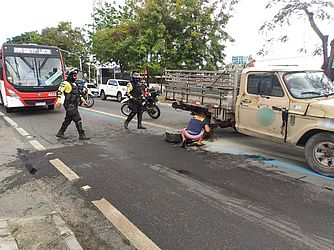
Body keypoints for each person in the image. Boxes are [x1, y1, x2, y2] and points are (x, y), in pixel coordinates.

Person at [55, 68, 90, 140]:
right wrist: (58, 101)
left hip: (75, 104)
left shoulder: (75, 84)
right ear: (70, 75)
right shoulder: (65, 83)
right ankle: (81, 135)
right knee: (77, 119)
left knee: (68, 119)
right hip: (69, 105)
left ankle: (60, 133)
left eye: (76, 75)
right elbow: (59, 91)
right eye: (74, 75)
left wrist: (83, 101)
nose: (75, 77)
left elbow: (78, 95)